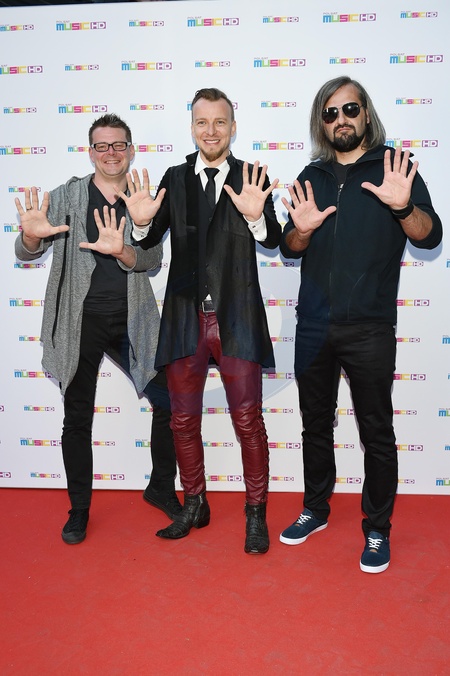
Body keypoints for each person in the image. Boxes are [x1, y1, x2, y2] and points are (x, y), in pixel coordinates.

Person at [278, 76, 442, 573]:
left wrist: (403, 206)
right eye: (330, 113)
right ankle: (315, 509)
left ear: (366, 113)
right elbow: (288, 245)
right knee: (314, 425)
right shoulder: (312, 174)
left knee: (376, 430)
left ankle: (377, 529)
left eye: (349, 109)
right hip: (313, 325)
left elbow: (430, 236)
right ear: (321, 122)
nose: (341, 119)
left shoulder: (395, 167)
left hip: (369, 326)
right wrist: (301, 231)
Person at [119, 87, 282, 554]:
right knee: (183, 421)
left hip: (236, 317)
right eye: (202, 122)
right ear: (191, 127)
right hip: (185, 319)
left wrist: (257, 219)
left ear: (233, 127)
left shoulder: (251, 177)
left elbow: (273, 240)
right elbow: (147, 244)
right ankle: (194, 504)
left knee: (248, 420)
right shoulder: (174, 177)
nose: (211, 131)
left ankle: (256, 514)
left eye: (220, 122)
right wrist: (142, 224)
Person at [14, 113, 181, 545]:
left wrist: (125, 250)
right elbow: (26, 248)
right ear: (91, 152)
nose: (111, 153)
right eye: (102, 146)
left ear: (131, 149)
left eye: (119, 144)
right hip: (80, 322)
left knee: (169, 399)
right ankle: (79, 510)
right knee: (77, 416)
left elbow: (152, 260)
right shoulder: (66, 197)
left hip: (132, 319)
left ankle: (160, 487)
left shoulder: (141, 199)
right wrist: (31, 239)